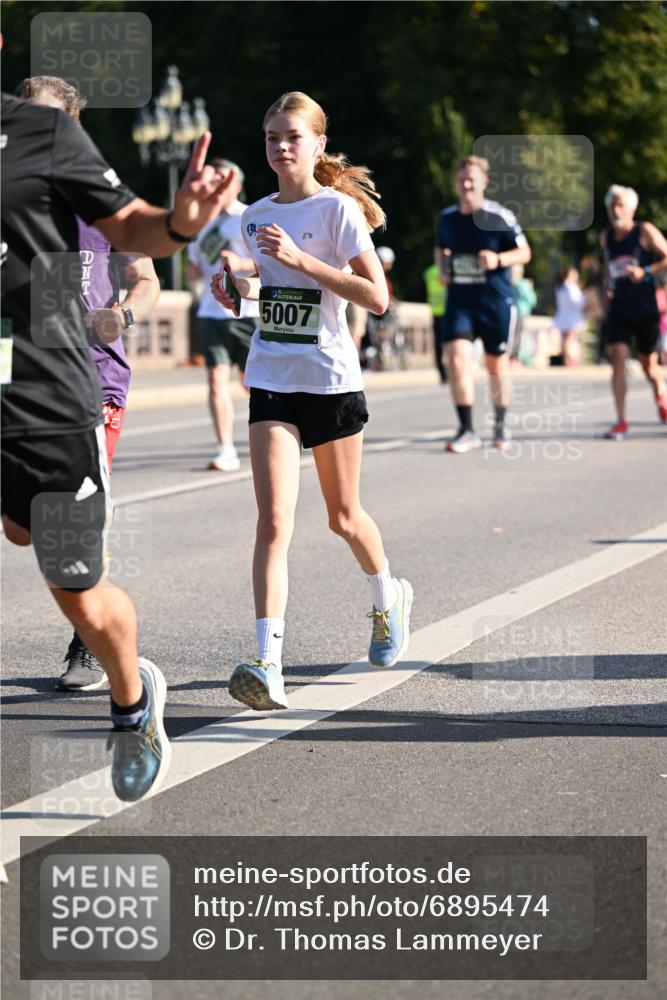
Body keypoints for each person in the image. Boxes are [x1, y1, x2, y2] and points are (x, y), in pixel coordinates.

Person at [1, 83, 232, 800]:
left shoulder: (40, 136)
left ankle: (132, 701)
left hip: (47, 396)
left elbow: (135, 230)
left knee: (76, 586)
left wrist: (180, 223)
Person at [210, 91, 413, 712]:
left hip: (330, 380)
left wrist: (302, 258)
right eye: (272, 137)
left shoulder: (338, 212)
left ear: (318, 144)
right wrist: (236, 289)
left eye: (293, 136)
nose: (281, 147)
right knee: (273, 522)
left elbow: (375, 297)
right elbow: (272, 292)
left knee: (344, 517)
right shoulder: (252, 214)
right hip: (272, 375)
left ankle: (388, 597)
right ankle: (268, 664)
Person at [18, 75, 162, 694]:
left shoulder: (95, 197)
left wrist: (122, 314)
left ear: (72, 127)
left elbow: (146, 276)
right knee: (19, 525)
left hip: (91, 375)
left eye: (43, 121)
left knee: (71, 511)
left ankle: (90, 644)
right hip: (18, 365)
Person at [435, 155, 531, 452]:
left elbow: (525, 253)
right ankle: (466, 430)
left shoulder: (499, 217)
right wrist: (442, 269)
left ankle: (500, 427)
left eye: (472, 180)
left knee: (495, 365)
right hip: (460, 300)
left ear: (484, 183)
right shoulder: (447, 217)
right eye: (462, 179)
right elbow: (441, 246)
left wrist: (498, 259)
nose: (466, 184)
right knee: (456, 360)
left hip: (495, 301)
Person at [186, 158, 259, 472]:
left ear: (237, 185)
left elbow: (273, 263)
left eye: (223, 180)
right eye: (212, 180)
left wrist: (240, 265)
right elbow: (195, 266)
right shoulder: (200, 221)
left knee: (253, 384)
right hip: (211, 311)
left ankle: (276, 434)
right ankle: (225, 448)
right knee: (216, 379)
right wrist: (193, 271)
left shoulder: (250, 217)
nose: (216, 186)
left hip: (248, 312)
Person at [600, 184, 667, 440]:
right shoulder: (605, 237)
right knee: (618, 359)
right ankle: (620, 421)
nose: (616, 209)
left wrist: (646, 272)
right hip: (619, 309)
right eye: (612, 205)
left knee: (649, 364)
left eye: (620, 205)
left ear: (632, 208)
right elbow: (608, 267)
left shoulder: (645, 231)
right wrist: (608, 284)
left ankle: (660, 391)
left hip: (645, 307)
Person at [554, 266, 586, 367]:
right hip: (572, 317)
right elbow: (577, 302)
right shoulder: (570, 286)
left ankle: (565, 359)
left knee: (565, 339)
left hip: (563, 315)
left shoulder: (560, 287)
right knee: (570, 339)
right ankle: (570, 359)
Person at [423, 261, 447, 383]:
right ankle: (449, 371)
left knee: (438, 346)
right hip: (447, 311)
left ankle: (442, 373)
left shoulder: (429, 272)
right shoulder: (447, 271)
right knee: (448, 344)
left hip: (435, 311)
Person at [510, 263, 536, 364]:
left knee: (514, 335)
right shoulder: (522, 284)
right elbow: (532, 299)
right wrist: (529, 287)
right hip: (520, 312)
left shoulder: (509, 283)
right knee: (517, 336)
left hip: (512, 311)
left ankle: (513, 358)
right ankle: (513, 359)